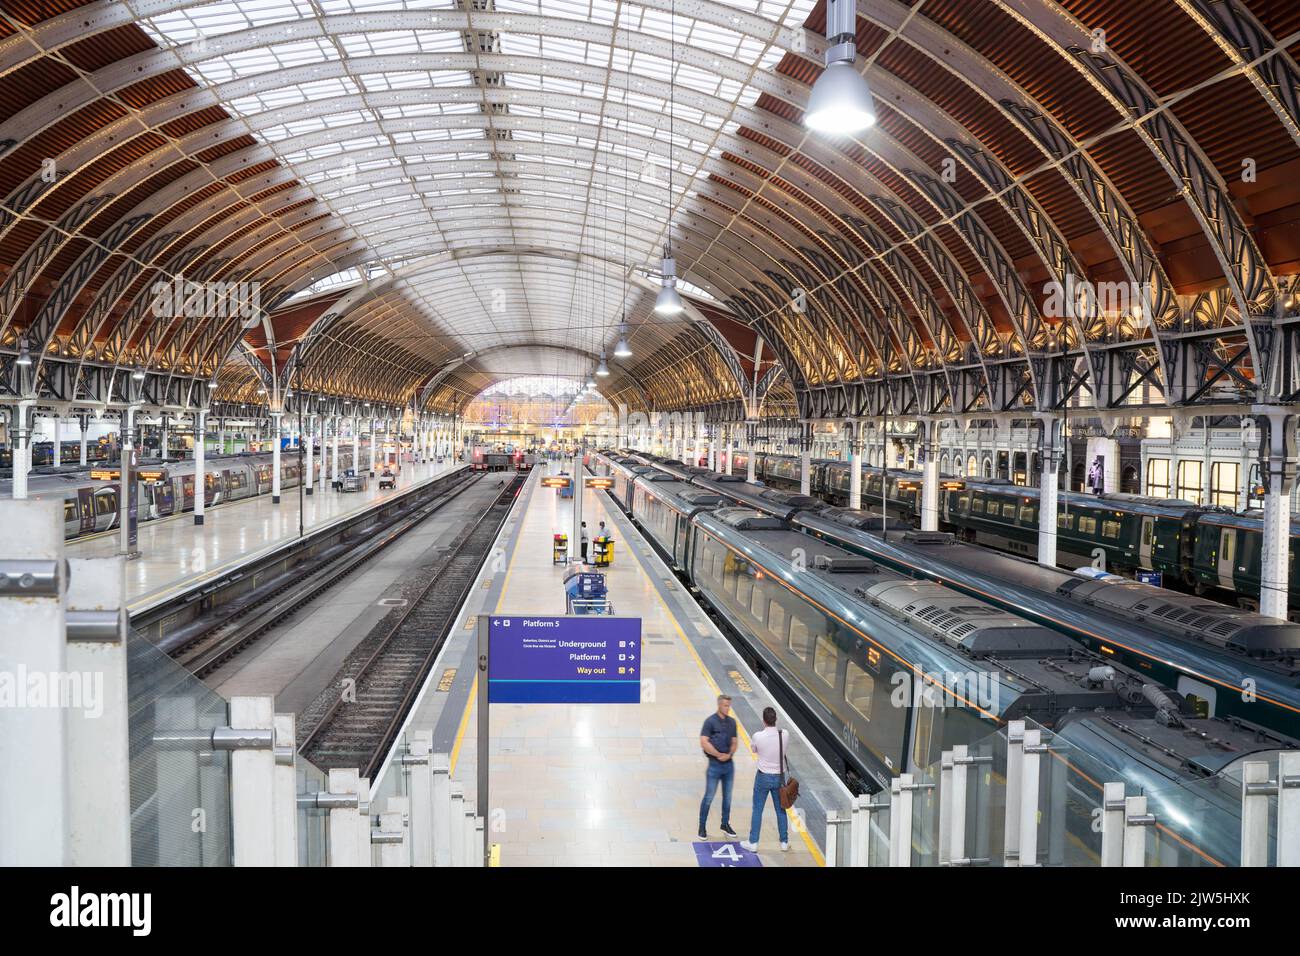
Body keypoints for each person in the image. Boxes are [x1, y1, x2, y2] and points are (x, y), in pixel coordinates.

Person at [740, 707, 790, 852]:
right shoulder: (784, 734)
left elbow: (754, 750)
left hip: (763, 777)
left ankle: (753, 842)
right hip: (779, 777)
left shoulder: (758, 736)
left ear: (764, 721)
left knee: (757, 809)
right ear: (776, 720)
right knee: (781, 809)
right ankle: (784, 842)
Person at [698, 694, 738, 839]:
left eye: (729, 706)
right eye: (725, 705)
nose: (727, 708)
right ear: (719, 705)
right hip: (714, 766)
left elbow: (734, 741)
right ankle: (702, 827)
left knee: (727, 797)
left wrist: (729, 754)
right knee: (709, 796)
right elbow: (704, 742)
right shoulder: (710, 722)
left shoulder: (732, 722)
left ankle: (725, 823)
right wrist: (717, 754)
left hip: (728, 766)